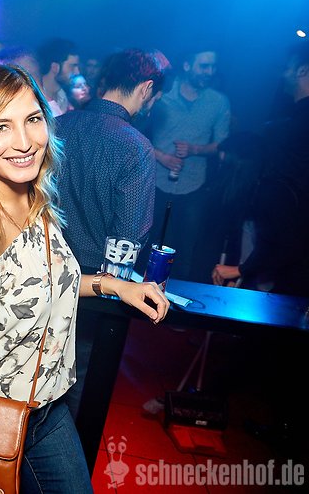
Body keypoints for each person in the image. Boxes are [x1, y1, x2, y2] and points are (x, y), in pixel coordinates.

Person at [0, 64, 169, 493]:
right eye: (1, 126)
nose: (24, 141)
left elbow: (41, 285)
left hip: (49, 408)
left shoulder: (35, 197)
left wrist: (114, 285)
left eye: (32, 119)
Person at [55, 48, 167, 421]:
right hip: (95, 285)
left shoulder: (58, 125)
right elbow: (128, 236)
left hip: (43, 270)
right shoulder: (136, 146)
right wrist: (115, 286)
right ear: (146, 88)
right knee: (77, 387)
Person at [212, 43, 309, 297]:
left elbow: (287, 235)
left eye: (287, 68)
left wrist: (242, 269)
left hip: (295, 251)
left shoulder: (290, 131)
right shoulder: (289, 124)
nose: (283, 74)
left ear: (302, 70)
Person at [147, 48, 230, 282]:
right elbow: (137, 133)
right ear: (187, 66)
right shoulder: (162, 94)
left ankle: (177, 297)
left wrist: (196, 150)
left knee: (184, 249)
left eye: (212, 67)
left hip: (193, 186)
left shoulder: (218, 101)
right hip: (154, 181)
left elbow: (223, 144)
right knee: (147, 243)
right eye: (204, 66)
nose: (209, 71)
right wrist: (161, 156)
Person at [38, 38, 80, 116]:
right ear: (55, 67)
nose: (77, 72)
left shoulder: (63, 98)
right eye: (72, 66)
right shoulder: (32, 95)